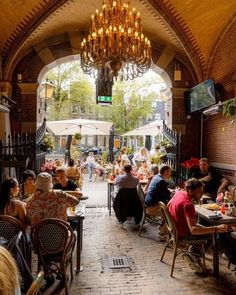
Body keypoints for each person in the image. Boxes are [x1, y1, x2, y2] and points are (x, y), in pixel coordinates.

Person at [168, 178, 228, 272]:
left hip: (174, 230)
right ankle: (194, 255)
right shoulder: (188, 204)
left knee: (205, 225)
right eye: (199, 192)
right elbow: (193, 230)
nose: (202, 194)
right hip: (183, 234)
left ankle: (193, 253)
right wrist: (216, 228)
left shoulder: (179, 193)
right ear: (191, 191)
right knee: (214, 234)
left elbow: (168, 205)